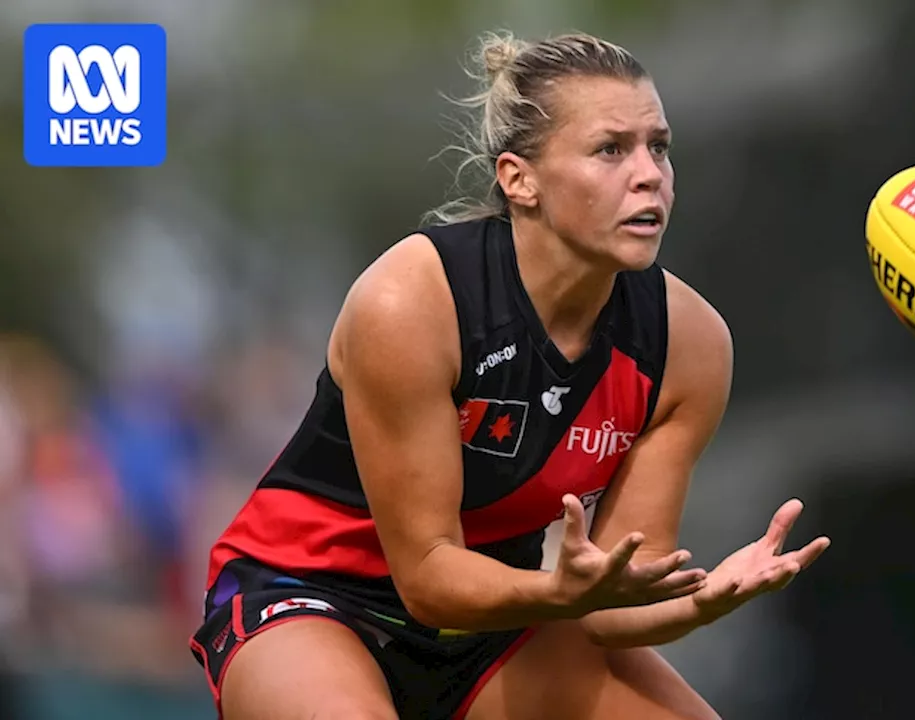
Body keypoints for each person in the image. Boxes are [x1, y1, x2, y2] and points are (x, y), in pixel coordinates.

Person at [189, 29, 830, 720]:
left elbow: (609, 612)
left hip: (501, 617)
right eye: (611, 149)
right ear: (518, 178)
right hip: (312, 592)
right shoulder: (411, 300)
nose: (649, 174)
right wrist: (558, 592)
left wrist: (699, 601)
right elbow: (430, 577)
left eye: (659, 147)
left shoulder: (689, 345)